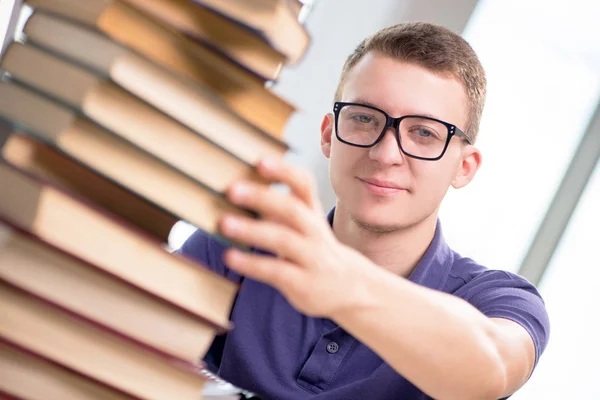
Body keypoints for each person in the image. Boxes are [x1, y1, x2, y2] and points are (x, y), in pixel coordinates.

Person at [178, 22, 550, 400]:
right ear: (328, 134)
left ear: (464, 167)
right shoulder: (242, 243)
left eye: (424, 133)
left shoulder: (499, 298)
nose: (385, 154)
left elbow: (492, 371)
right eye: (364, 118)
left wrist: (347, 285)